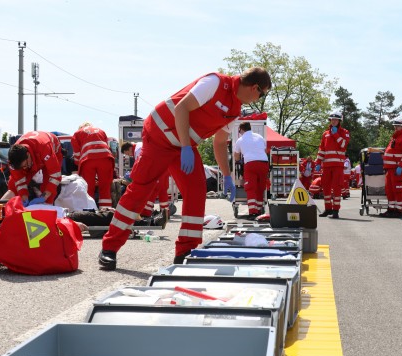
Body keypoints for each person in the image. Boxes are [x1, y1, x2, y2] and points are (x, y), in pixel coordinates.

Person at [98, 67, 272, 269]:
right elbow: (182, 108)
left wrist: (227, 176)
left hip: (183, 146)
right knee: (141, 188)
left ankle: (185, 252)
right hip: (160, 136)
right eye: (262, 93)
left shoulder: (234, 111)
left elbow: (220, 142)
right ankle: (109, 248)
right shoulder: (215, 83)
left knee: (196, 191)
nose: (259, 99)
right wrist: (187, 147)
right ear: (254, 87)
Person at [5, 131, 63, 205]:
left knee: (48, 184)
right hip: (34, 152)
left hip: (50, 150)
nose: (24, 168)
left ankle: (47, 209)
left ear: (28, 155)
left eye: (25, 165)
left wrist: (44, 197)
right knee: (13, 184)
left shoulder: (45, 148)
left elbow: (56, 176)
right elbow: (19, 181)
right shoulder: (14, 160)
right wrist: (24, 198)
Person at [71, 122, 115, 209]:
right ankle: (106, 212)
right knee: (105, 187)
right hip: (106, 159)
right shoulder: (101, 131)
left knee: (88, 187)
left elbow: (77, 154)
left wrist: (78, 165)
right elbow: (106, 145)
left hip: (88, 160)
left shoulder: (77, 133)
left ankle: (90, 210)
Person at [315, 111, 350, 219]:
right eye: (332, 119)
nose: (333, 121)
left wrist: (336, 134)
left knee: (337, 187)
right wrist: (318, 162)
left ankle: (335, 210)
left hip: (338, 165)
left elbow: (343, 145)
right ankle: (328, 208)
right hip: (326, 165)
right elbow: (322, 149)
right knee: (325, 187)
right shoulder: (325, 134)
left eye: (336, 120)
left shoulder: (344, 132)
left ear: (339, 121)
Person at [233, 122, 269, 219]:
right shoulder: (260, 137)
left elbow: (236, 156)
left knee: (251, 187)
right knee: (260, 187)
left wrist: (239, 160)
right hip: (264, 163)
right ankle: (259, 210)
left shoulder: (240, 140)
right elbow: (266, 150)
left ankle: (253, 212)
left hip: (250, 164)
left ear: (241, 129)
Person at [380, 115, 402, 218]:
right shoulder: (396, 136)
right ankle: (391, 209)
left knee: (397, 189)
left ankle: (398, 211)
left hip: (398, 168)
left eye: (397, 126)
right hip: (390, 168)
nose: (395, 128)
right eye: (395, 126)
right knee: (389, 189)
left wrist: (400, 166)